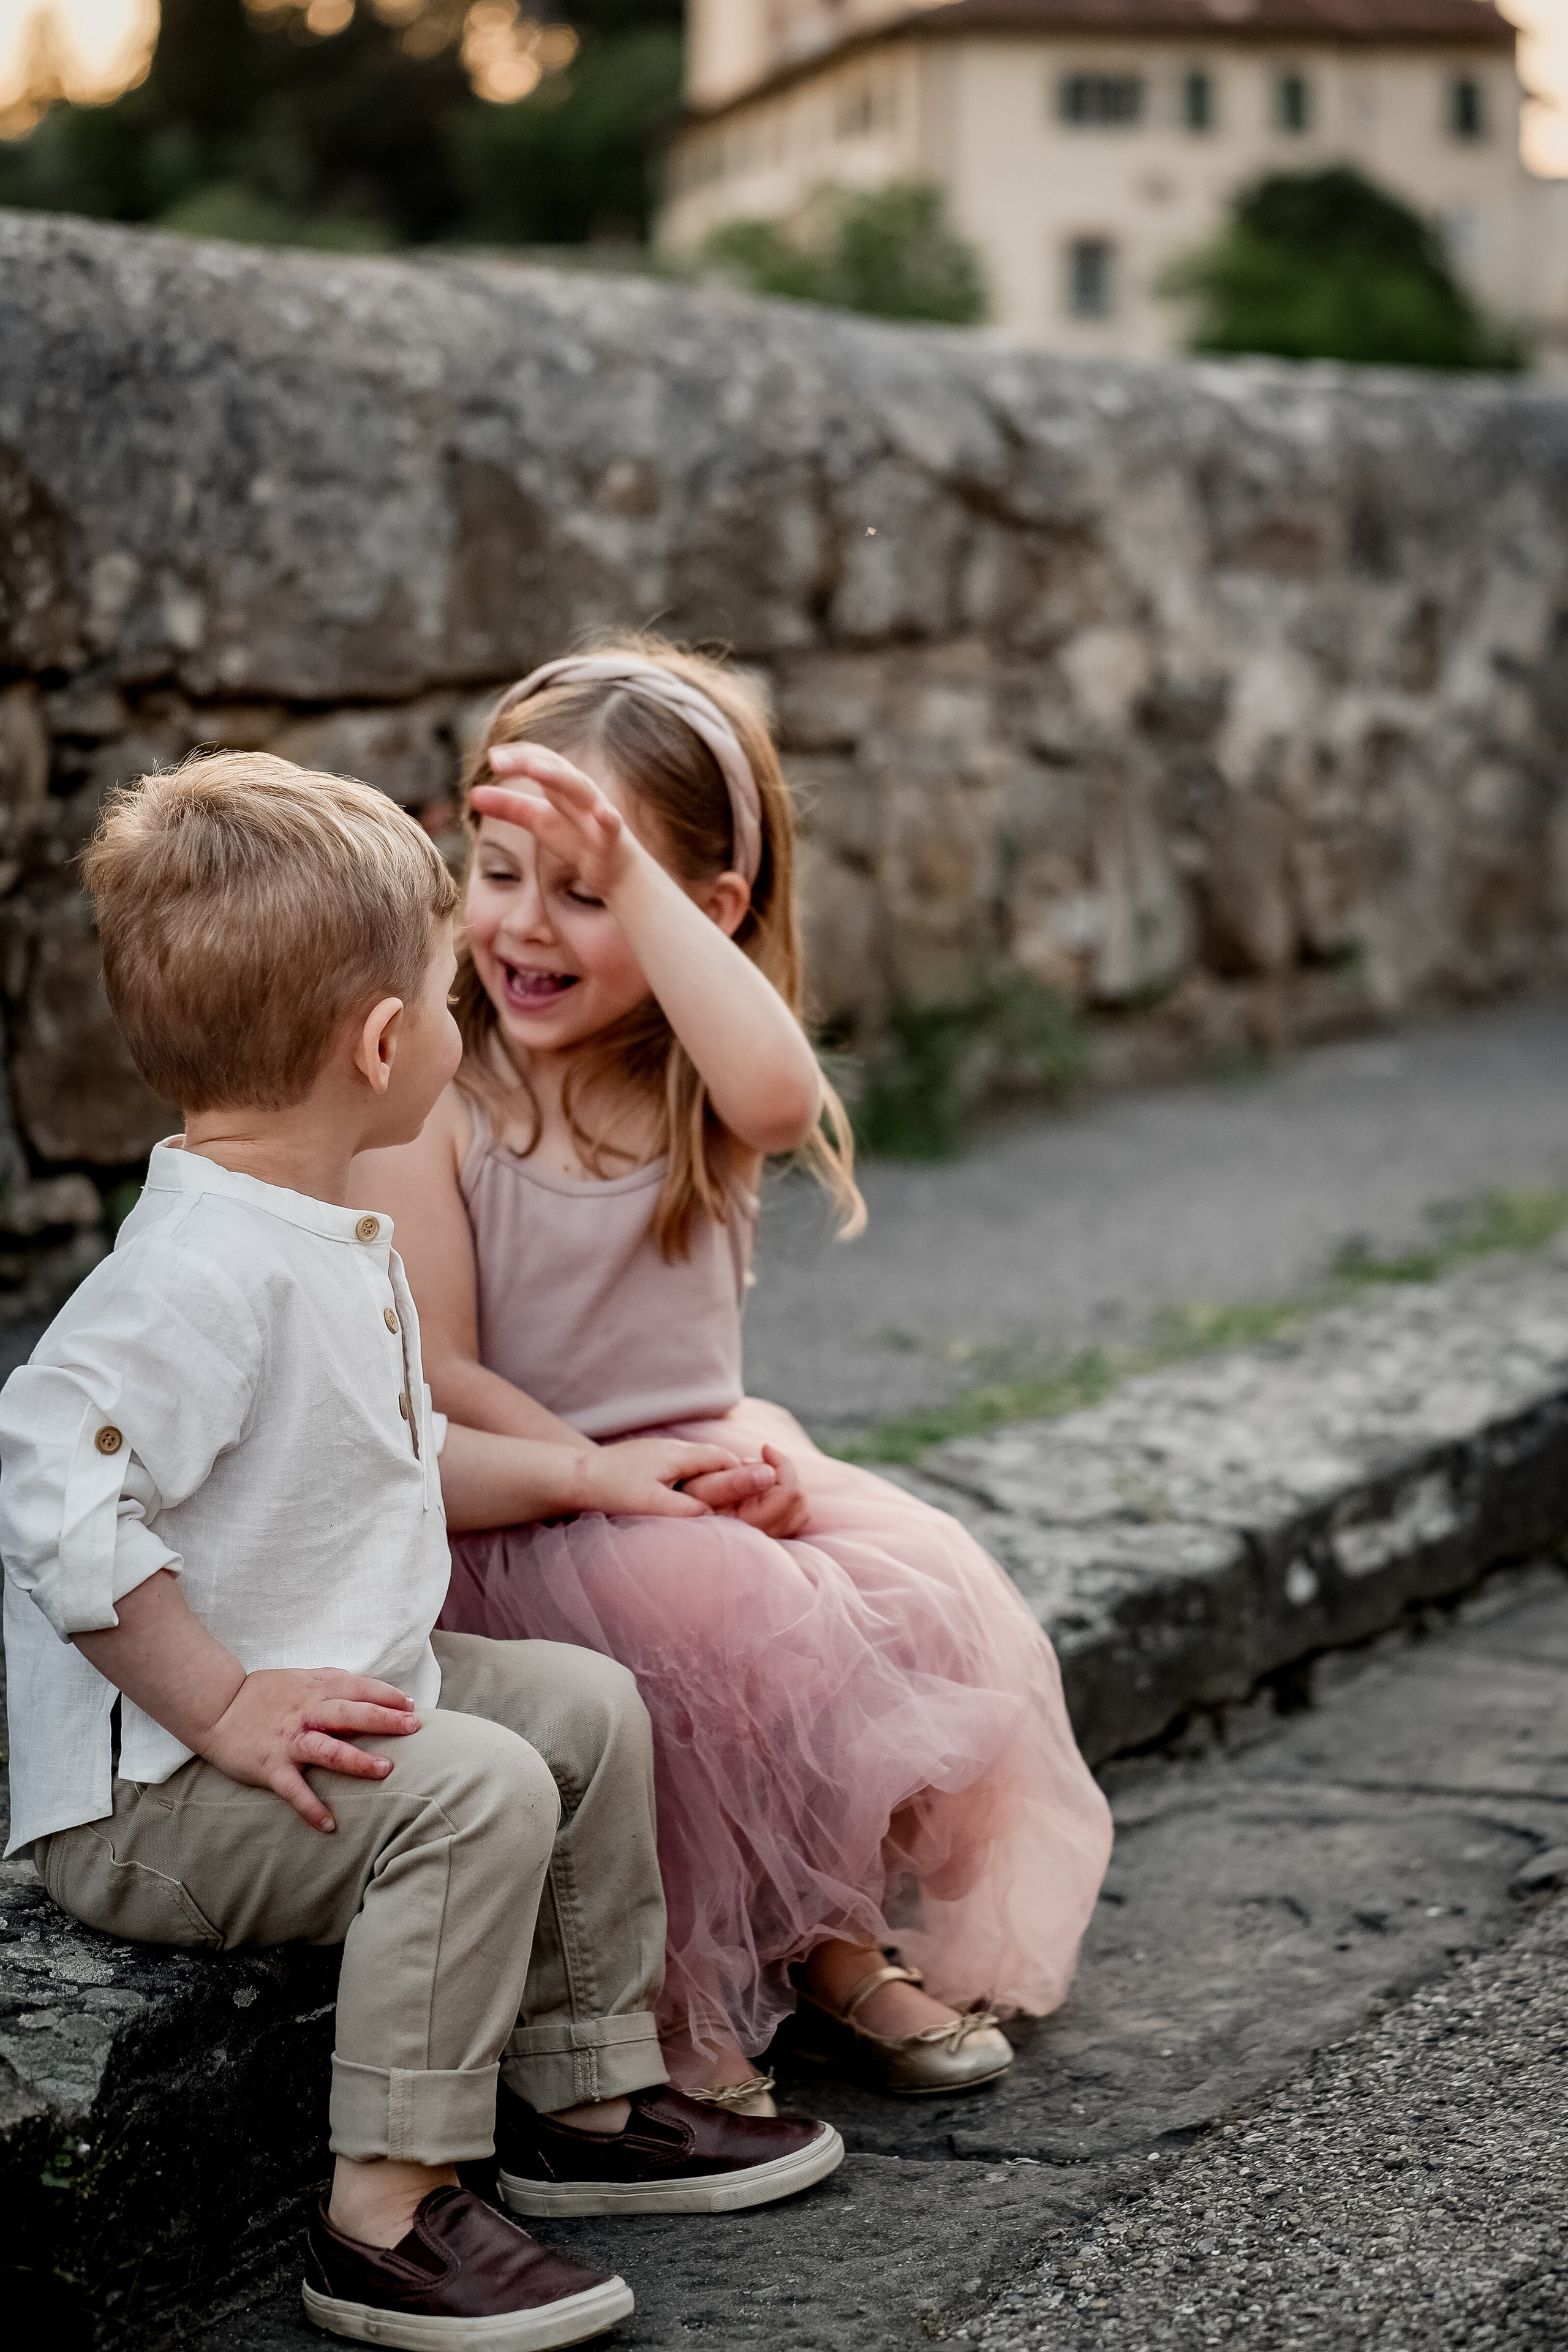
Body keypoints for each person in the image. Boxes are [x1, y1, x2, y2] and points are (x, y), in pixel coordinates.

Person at [0, 753, 843, 2352]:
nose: (462, 1036)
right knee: (477, 1788)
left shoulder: (317, 1228)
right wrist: (221, 1702)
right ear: (385, 1046)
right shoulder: (195, 1274)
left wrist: (597, 1473)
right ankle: (384, 2205)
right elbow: (48, 1489)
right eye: (452, 1002)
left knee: (582, 1709)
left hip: (332, 1679)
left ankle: (587, 2101)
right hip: (158, 1796)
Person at [358, 644, 1115, 2116]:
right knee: (713, 1607)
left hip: (699, 1471)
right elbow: (436, 1376)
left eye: (585, 893)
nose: (525, 925)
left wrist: (638, 878)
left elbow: (785, 1092)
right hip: (519, 1495)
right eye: (498, 873)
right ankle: (674, 2008)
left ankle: (829, 1947)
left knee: (902, 1594)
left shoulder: (696, 1077)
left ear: (700, 914)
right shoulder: (441, 1103)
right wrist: (619, 1481)